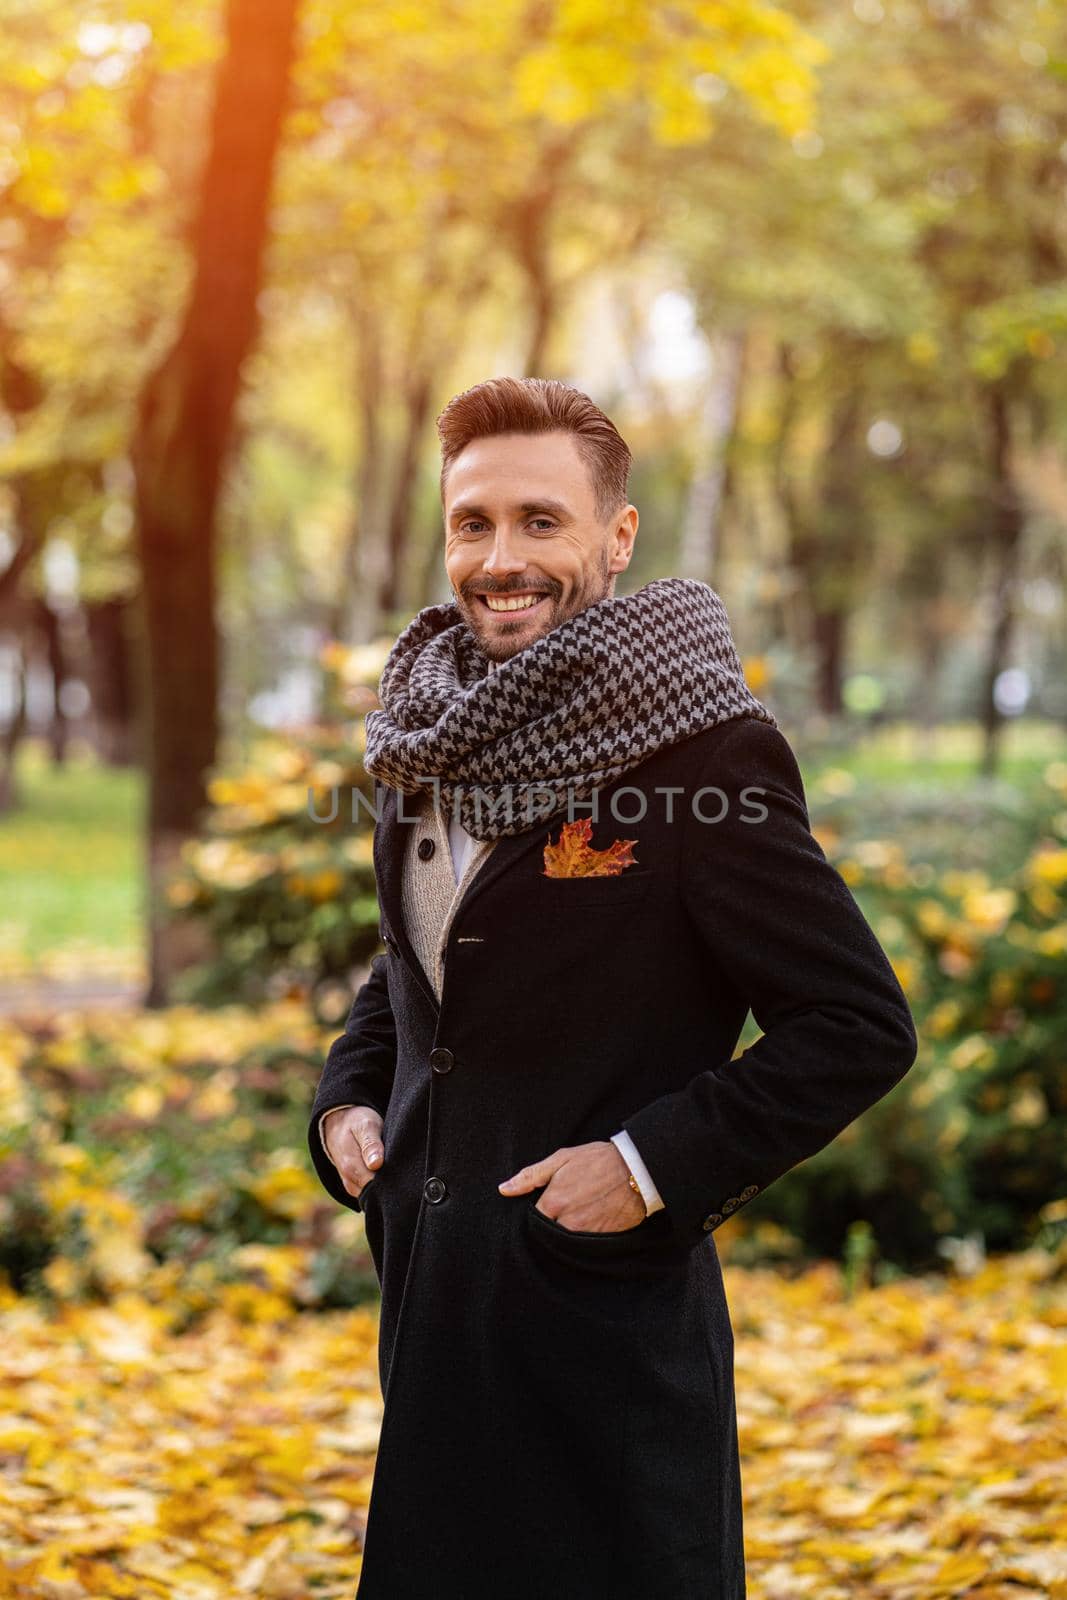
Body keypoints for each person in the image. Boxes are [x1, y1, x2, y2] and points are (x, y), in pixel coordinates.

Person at [307, 376, 918, 1600]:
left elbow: (854, 1025)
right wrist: (344, 1102)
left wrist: (642, 1169)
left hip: (601, 1335)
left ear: (615, 537)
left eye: (542, 520)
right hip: (432, 1316)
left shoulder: (703, 753)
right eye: (472, 523)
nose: (501, 558)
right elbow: (416, 969)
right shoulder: (427, 737)